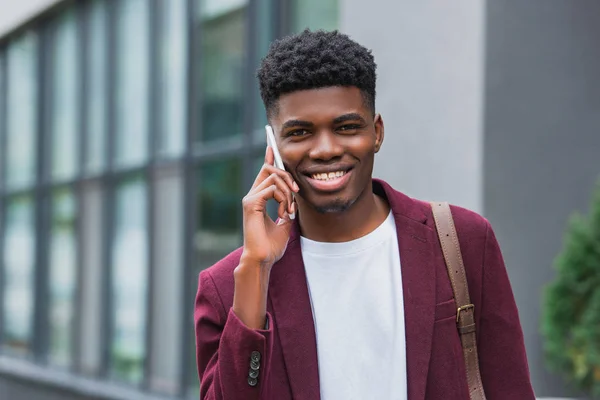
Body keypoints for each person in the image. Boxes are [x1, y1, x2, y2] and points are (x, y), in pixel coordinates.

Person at [194, 29, 535, 400]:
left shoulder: (460, 241)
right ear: (273, 146)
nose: (325, 149)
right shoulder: (228, 286)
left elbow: (510, 388)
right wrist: (255, 273)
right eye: (300, 132)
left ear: (376, 132)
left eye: (346, 127)